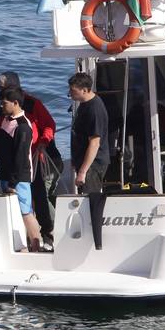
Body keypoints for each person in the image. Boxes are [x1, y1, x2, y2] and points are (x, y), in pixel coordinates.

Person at [0, 71, 60, 247]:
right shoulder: (3, 107)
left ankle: (48, 235)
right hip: (13, 159)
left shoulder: (32, 104)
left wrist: (44, 143)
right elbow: (1, 133)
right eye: (0, 89)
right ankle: (26, 238)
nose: (1, 93)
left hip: (36, 155)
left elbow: (49, 124)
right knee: (24, 202)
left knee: (40, 193)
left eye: (4, 89)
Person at [0, 87, 43, 252]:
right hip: (4, 172)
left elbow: (21, 157)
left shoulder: (23, 127)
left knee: (26, 212)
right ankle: (21, 245)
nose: (1, 106)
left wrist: (13, 183)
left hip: (19, 177)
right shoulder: (6, 120)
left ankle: (37, 245)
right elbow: (0, 143)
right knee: (13, 211)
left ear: (15, 103)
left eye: (4, 103)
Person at [69, 71, 110, 249]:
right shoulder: (84, 104)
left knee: (91, 200)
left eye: (73, 91)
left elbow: (94, 143)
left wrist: (83, 171)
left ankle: (96, 244)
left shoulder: (94, 108)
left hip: (93, 165)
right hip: (83, 162)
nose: (70, 94)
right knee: (86, 199)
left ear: (85, 90)